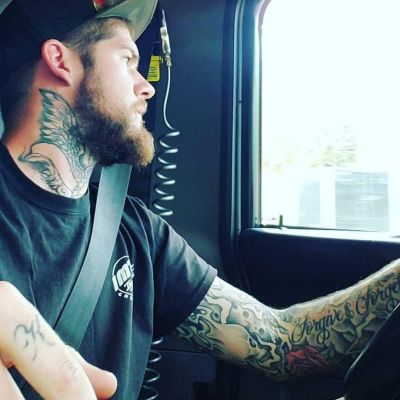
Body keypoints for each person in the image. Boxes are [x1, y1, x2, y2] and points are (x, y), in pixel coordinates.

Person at [0, 0, 399, 399]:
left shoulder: (137, 232)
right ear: (61, 61)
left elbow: (281, 344)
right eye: (127, 60)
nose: (146, 86)